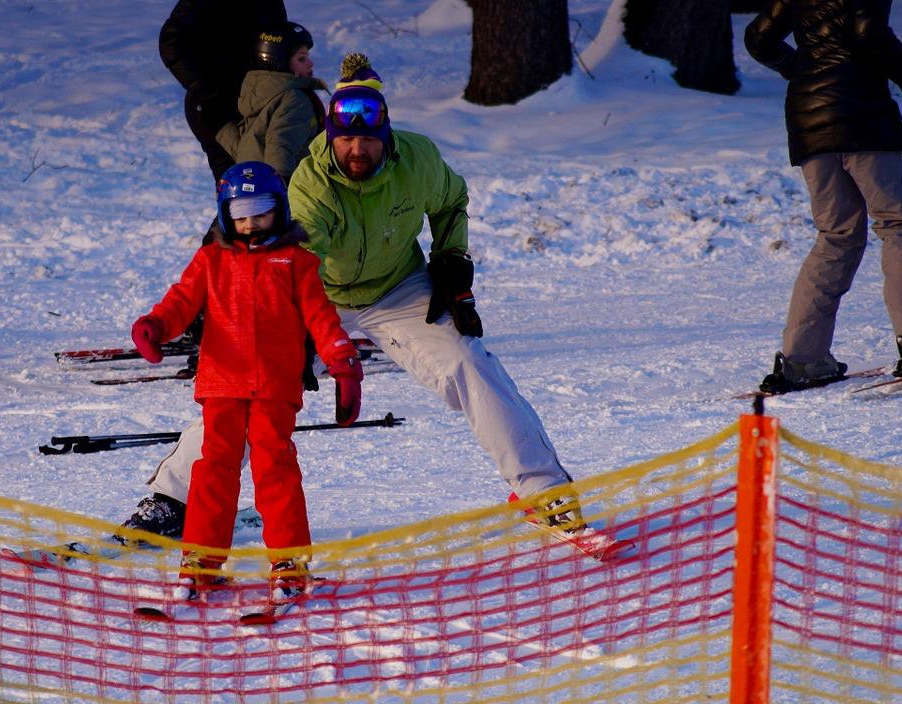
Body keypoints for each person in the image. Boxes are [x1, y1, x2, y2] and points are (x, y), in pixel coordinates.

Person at [121, 55, 585, 541]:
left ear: (387, 134)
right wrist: (297, 339)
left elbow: (451, 201)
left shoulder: (420, 159)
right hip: (316, 294)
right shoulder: (310, 186)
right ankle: (173, 498)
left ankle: (544, 491)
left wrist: (451, 257)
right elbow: (292, 269)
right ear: (328, 135)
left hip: (398, 287)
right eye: (346, 139)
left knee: (470, 365)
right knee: (248, 387)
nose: (357, 149)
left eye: (368, 138)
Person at [130, 161, 363, 601]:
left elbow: (322, 320)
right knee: (213, 469)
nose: (251, 223)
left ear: (281, 210)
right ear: (225, 214)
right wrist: (155, 325)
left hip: (275, 385)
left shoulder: (297, 262)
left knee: (275, 467)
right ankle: (200, 562)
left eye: (261, 211)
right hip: (221, 382)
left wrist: (343, 362)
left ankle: (289, 562)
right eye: (241, 213)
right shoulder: (211, 258)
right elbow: (181, 300)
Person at [746, 0, 902, 394]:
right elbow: (866, 29)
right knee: (900, 225)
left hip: (808, 120)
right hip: (863, 116)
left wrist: (800, 70)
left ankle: (803, 360)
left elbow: (758, 37)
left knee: (836, 235)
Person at [159, 0, 288, 182]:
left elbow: (280, 40)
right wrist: (203, 90)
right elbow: (171, 42)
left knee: (263, 179)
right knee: (236, 181)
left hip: (258, 100)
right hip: (216, 107)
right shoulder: (197, 6)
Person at [216, 21, 328, 184]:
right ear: (280, 63)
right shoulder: (296, 100)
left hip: (254, 186)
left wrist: (223, 130)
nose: (310, 64)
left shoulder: (261, 96)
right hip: (283, 192)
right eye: (301, 59)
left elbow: (250, 148)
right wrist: (283, 189)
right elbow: (280, 146)